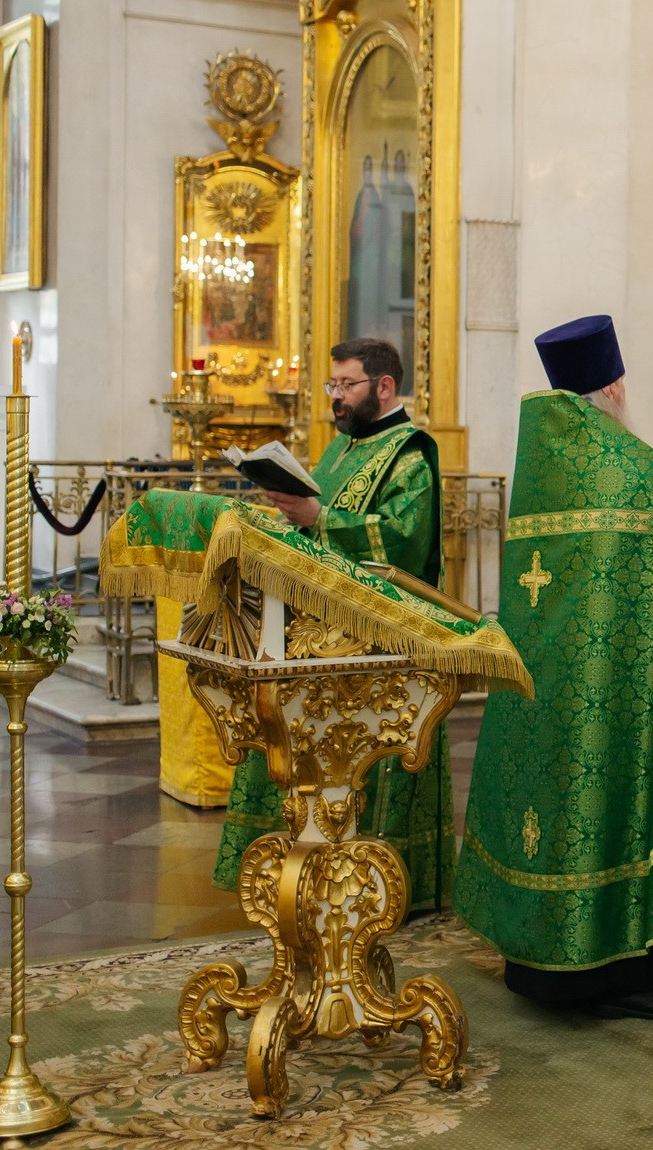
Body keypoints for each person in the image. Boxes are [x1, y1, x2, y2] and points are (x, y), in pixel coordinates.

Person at [455, 315, 653, 1020]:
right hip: (616, 691)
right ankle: (623, 973)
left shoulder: (542, 467)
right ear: (614, 388)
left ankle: (535, 961)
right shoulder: (648, 479)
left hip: (538, 685)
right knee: (611, 804)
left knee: (545, 805)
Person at [214, 337, 453, 910]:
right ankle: (306, 867)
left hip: (380, 638)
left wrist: (319, 518)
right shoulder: (340, 449)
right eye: (333, 385)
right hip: (316, 630)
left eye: (347, 385)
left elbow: (403, 538)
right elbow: (316, 519)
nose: (336, 397)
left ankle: (379, 886)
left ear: (384, 387)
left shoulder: (409, 454)